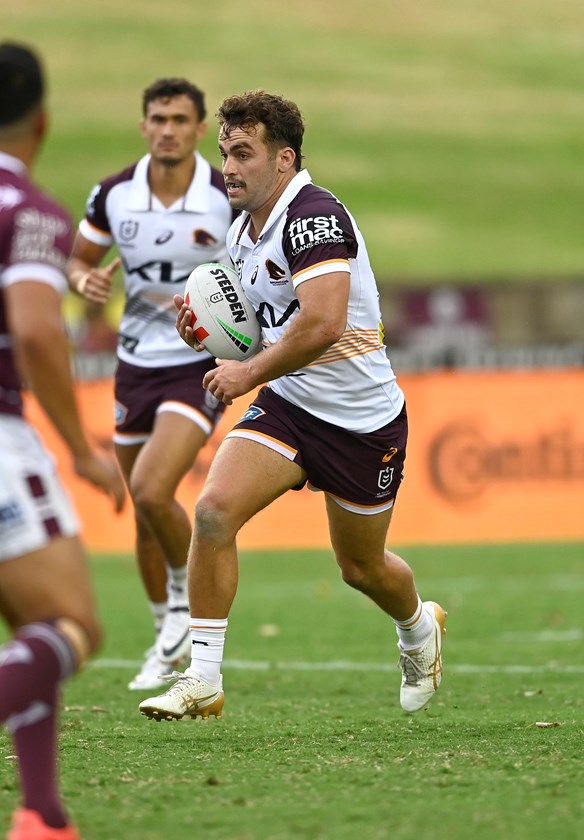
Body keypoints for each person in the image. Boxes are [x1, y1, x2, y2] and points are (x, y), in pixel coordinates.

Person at [138, 90, 446, 723]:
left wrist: (247, 370)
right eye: (224, 151)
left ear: (284, 159)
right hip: (290, 406)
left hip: (361, 420)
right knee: (215, 511)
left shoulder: (314, 216)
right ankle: (202, 678)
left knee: (361, 568)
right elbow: (255, 323)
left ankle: (418, 628)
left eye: (243, 153)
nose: (228, 165)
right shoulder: (243, 229)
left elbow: (323, 323)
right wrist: (204, 325)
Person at [67, 78, 237, 691]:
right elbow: (79, 260)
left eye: (180, 119)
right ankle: (166, 634)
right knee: (145, 509)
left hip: (199, 365)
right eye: (157, 118)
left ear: (198, 130)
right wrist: (82, 282)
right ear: (144, 126)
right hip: (134, 364)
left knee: (150, 486)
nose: (167, 129)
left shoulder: (225, 194)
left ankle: (188, 610)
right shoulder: (114, 195)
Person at [0, 42, 126, 840]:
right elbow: (38, 331)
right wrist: (81, 448)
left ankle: (43, 812)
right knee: (72, 623)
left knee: (29, 626)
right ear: (42, 119)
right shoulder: (30, 212)